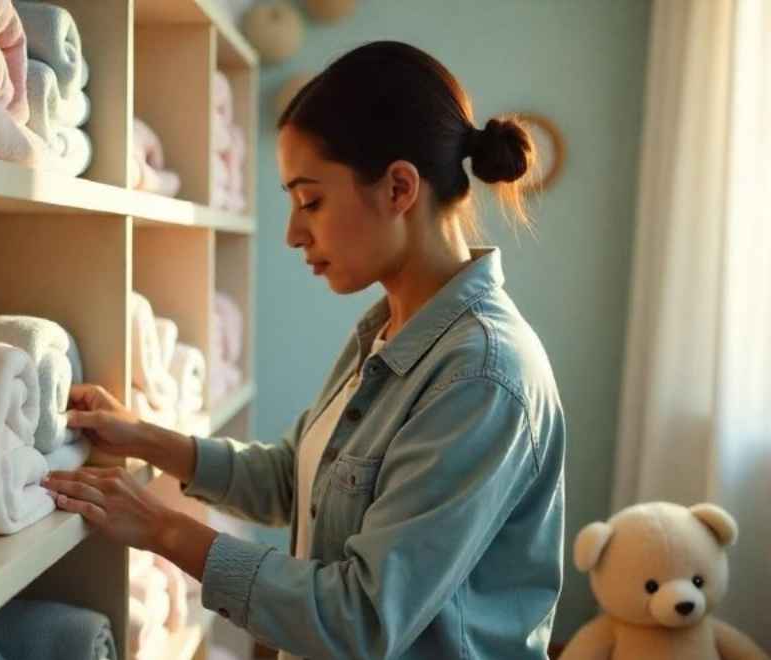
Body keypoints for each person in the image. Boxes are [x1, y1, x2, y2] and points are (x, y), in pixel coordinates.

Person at [42, 41, 565, 660]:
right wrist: (147, 438)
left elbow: (362, 618)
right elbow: (299, 479)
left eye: (310, 201)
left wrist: (162, 528)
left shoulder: (481, 375)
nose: (294, 233)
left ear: (399, 187)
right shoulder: (391, 328)